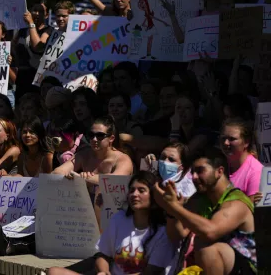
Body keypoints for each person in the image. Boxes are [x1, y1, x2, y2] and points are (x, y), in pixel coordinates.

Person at [48, 171, 176, 275]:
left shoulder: (163, 231)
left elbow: (151, 272)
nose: (134, 194)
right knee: (54, 272)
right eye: (131, 190)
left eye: (141, 190)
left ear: (154, 196)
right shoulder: (119, 219)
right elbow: (102, 256)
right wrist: (104, 271)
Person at [155, 148, 256, 275]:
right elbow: (176, 234)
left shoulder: (237, 203)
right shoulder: (200, 199)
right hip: (221, 266)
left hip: (248, 269)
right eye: (192, 172)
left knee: (205, 246)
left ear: (219, 171)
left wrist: (175, 207)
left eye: (200, 171)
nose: (194, 177)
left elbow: (210, 232)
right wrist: (171, 212)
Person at [53, 116, 133, 186]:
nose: (94, 139)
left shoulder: (122, 159)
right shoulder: (84, 154)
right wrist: (70, 176)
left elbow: (116, 180)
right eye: (91, 135)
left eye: (100, 136)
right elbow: (57, 172)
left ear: (111, 138)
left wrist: (85, 178)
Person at [220, 119, 263, 202]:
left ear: (246, 142)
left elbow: (249, 210)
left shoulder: (255, 171)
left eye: (232, 139)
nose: (226, 143)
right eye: (223, 138)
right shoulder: (219, 164)